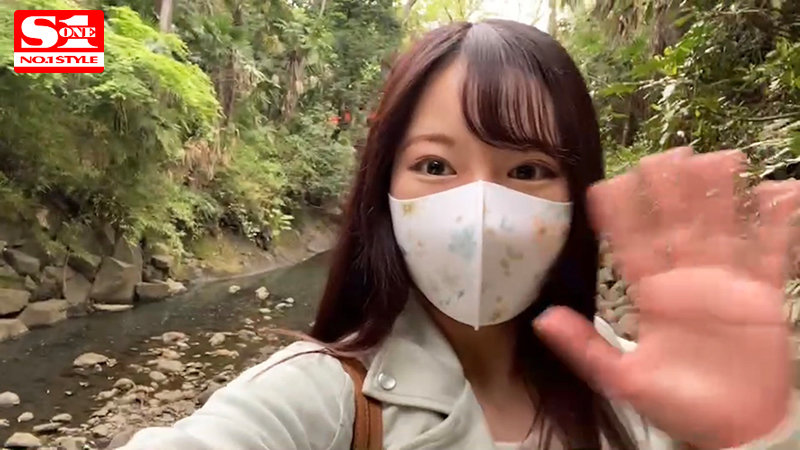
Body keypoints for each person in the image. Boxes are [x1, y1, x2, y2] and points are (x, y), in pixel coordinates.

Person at [120, 20, 800, 449]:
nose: (480, 210)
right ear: (385, 192)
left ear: (577, 196)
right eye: (436, 166)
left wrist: (750, 433)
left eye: (527, 170)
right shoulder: (319, 402)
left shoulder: (642, 395)